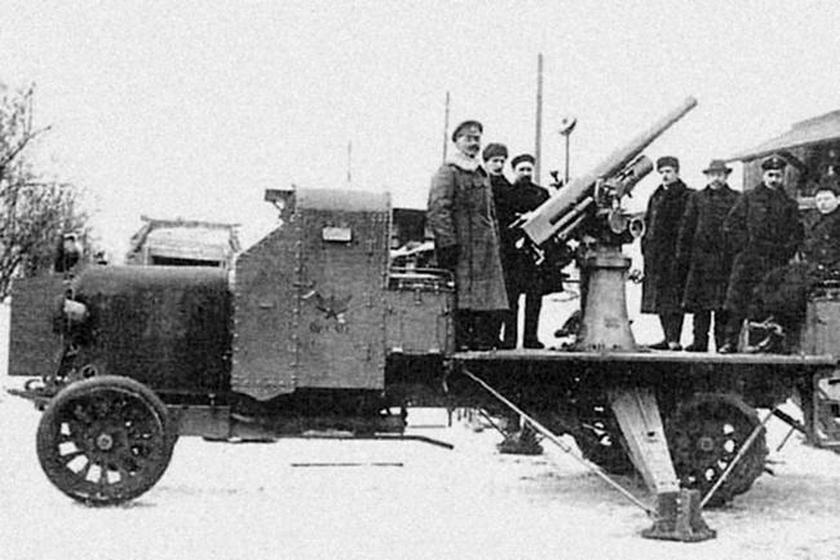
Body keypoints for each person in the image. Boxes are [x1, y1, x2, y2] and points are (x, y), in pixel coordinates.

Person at [427, 120, 508, 350]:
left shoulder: (481, 172)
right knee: (462, 299)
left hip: (485, 249)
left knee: (488, 299)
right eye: (468, 138)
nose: (473, 143)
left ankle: (484, 341)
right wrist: (447, 243)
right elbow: (438, 209)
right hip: (463, 248)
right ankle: (461, 341)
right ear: (456, 142)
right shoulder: (448, 172)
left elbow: (490, 212)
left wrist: (496, 241)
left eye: (477, 138)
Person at [719, 154, 803, 353]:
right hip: (748, 260)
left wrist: (784, 252)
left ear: (783, 177)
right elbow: (731, 225)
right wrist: (744, 246)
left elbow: (796, 234)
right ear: (763, 175)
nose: (774, 179)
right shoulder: (748, 198)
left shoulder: (789, 204)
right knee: (737, 302)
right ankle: (730, 341)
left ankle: (759, 344)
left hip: (774, 262)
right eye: (770, 175)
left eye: (778, 175)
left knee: (766, 302)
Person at [676, 159, 741, 351]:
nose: (716, 179)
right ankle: (699, 342)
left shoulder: (736, 198)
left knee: (723, 305)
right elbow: (687, 226)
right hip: (701, 259)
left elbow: (741, 227)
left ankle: (722, 343)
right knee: (700, 305)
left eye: (720, 175)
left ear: (726, 176)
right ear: (707, 177)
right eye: (713, 175)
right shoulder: (697, 198)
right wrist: (683, 253)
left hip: (725, 259)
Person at [493, 153, 550, 349]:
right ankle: (510, 338)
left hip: (534, 253)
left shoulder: (541, 194)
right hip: (513, 254)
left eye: (529, 169)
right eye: (521, 169)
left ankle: (531, 338)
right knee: (512, 298)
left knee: (535, 297)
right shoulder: (507, 193)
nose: (526, 173)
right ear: (514, 171)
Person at [641, 156, 691, 350]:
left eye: (668, 171)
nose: (665, 176)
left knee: (674, 298)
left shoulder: (686, 195)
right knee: (659, 298)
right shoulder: (656, 196)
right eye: (662, 172)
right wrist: (645, 246)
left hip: (675, 254)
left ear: (677, 172)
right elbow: (648, 222)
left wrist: (681, 252)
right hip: (656, 255)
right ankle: (667, 337)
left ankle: (674, 339)